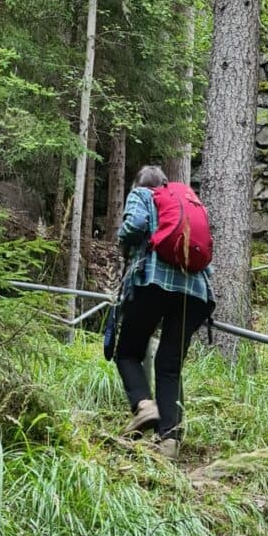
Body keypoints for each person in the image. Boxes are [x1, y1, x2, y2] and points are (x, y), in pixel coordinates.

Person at [114, 164, 213, 456]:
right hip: (196, 293)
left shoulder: (142, 194)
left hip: (154, 282)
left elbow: (133, 227)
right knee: (169, 366)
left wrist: (123, 245)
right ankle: (169, 440)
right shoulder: (188, 203)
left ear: (138, 184)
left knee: (128, 352)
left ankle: (144, 406)